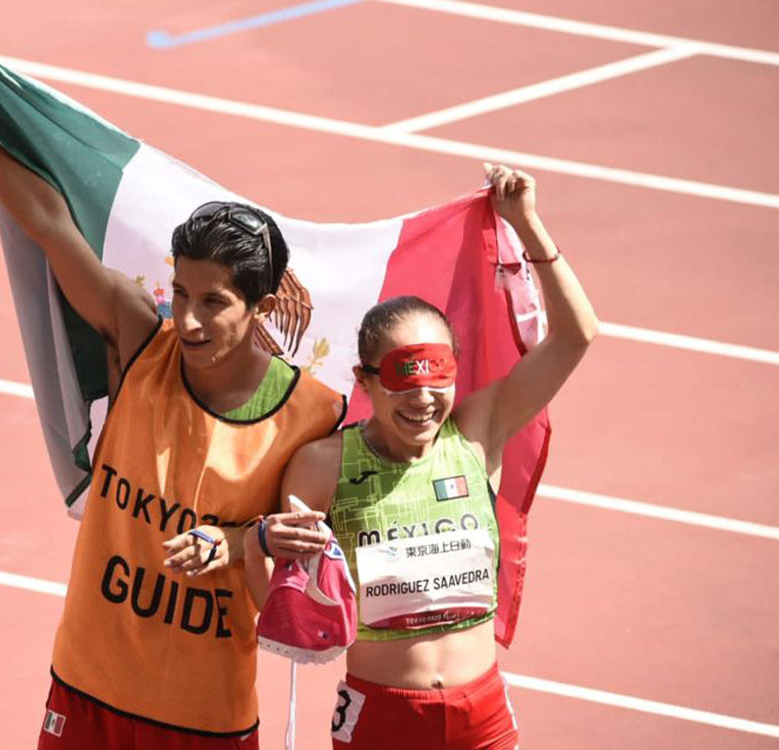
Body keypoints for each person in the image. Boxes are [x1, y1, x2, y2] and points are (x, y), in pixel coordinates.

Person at [0, 10, 346, 748]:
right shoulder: (140, 338)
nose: (192, 320)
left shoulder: (312, 418)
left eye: (215, 303)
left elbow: (285, 592)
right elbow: (49, 222)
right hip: (85, 688)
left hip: (204, 720)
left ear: (262, 306)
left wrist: (244, 541)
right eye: (184, 294)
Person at [245, 164, 597, 748]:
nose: (424, 401)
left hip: (481, 713)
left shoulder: (479, 432)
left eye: (438, 380)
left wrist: (527, 224)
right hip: (381, 717)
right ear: (366, 381)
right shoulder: (322, 466)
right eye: (403, 383)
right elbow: (280, 601)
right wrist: (267, 555)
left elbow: (576, 336)